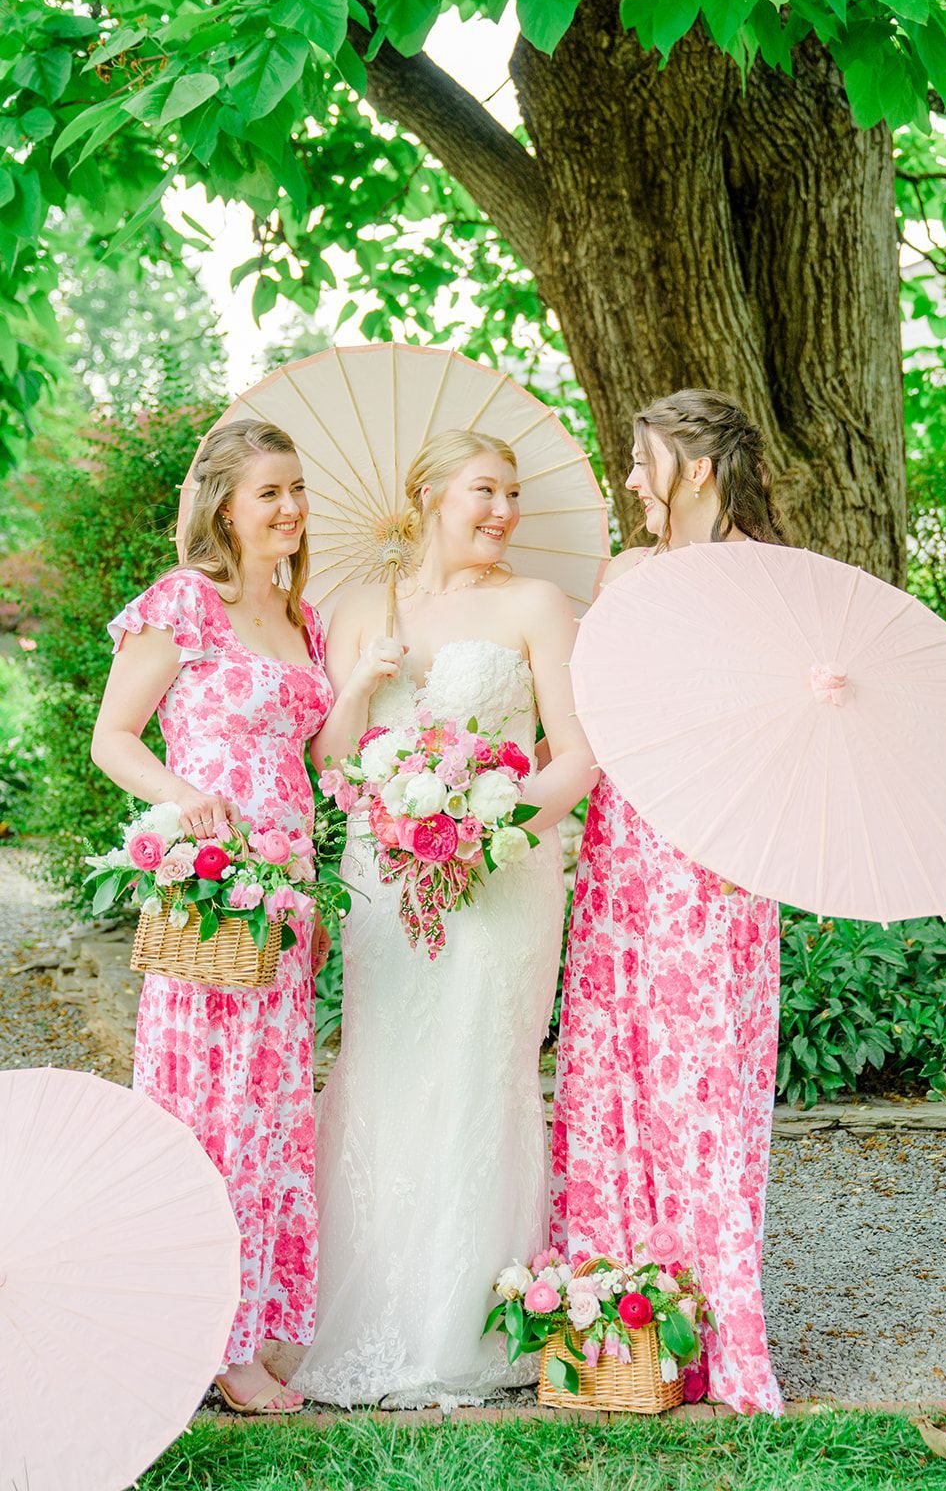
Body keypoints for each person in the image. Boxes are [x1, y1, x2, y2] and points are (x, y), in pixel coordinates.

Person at [293, 429, 596, 1408]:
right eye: (483, 490)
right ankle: (368, 1305)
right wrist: (359, 680)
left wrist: (491, 827)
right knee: (384, 1064)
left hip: (500, 876)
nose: (503, 510)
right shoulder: (357, 610)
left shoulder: (535, 605)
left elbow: (574, 756)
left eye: (511, 494)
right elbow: (331, 765)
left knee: (476, 1067)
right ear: (427, 495)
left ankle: (465, 1324)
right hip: (384, 879)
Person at [550, 389, 786, 1416]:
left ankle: (714, 1335)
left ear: (692, 468)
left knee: (698, 1091)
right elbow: (597, 714)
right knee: (611, 1077)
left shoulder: (770, 584)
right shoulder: (625, 574)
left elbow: (784, 737)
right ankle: (614, 1333)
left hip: (717, 860)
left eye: (643, 463)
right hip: (620, 851)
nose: (631, 481)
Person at [92, 419, 333, 1416]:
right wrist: (185, 800)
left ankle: (254, 1325)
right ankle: (209, 1340)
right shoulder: (187, 605)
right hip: (208, 891)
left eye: (296, 490)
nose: (288, 508)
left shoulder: (308, 622)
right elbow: (113, 738)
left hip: (288, 897)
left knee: (273, 1112)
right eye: (268, 492)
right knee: (209, 1109)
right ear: (224, 504)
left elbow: (314, 765)